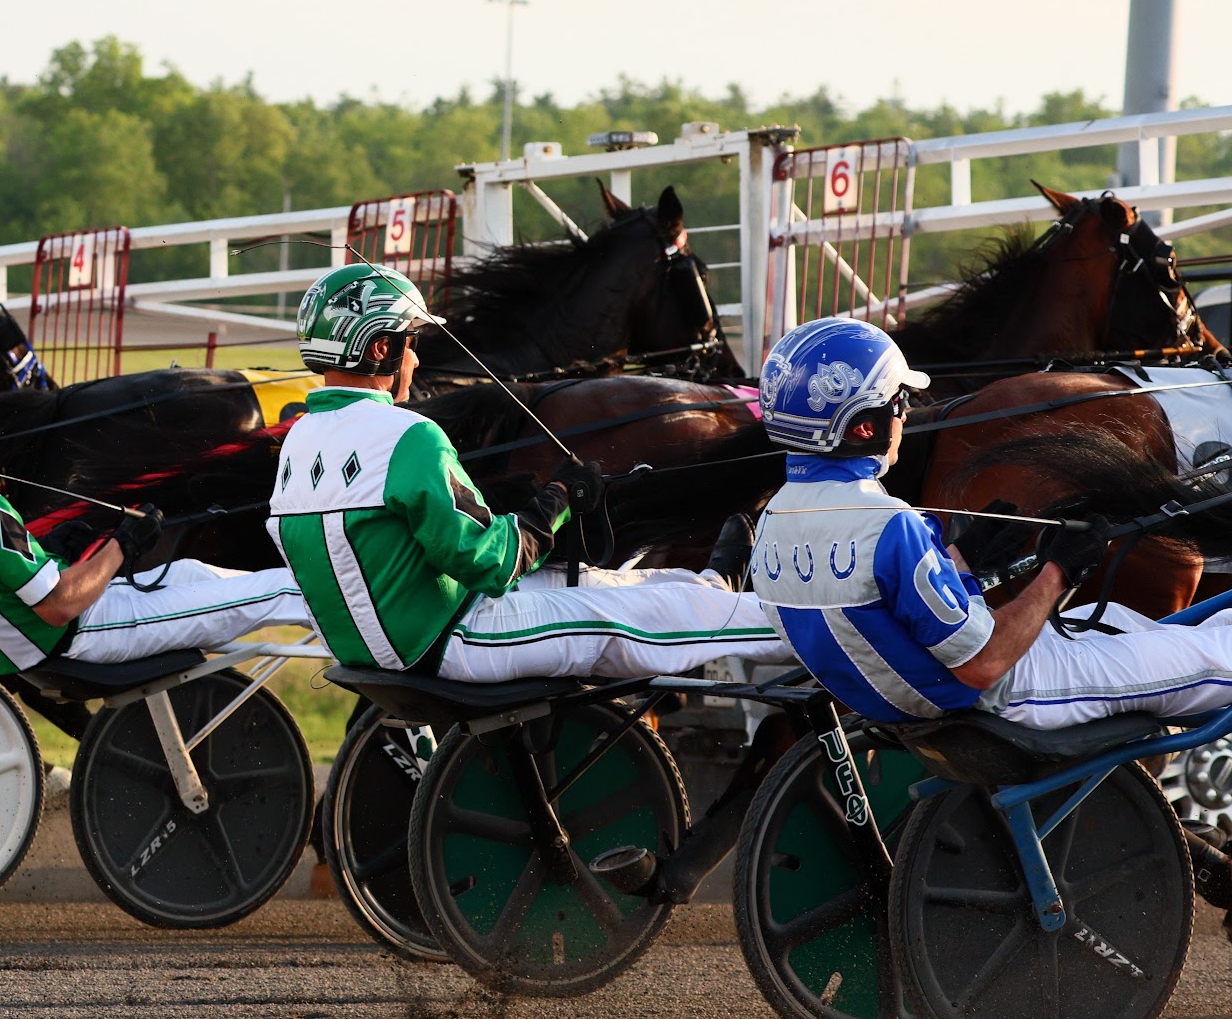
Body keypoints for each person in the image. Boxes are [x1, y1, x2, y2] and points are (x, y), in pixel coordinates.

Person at [267, 262, 785, 682]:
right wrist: (553, 503)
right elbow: (489, 562)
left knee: (592, 581)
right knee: (615, 618)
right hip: (452, 641)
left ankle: (708, 588)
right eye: (412, 344)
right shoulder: (408, 435)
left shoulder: (297, 441)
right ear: (381, 348)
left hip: (382, 642)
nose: (416, 362)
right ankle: (808, 631)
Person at [750, 315, 1232, 730]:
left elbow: (891, 611)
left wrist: (962, 561)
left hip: (907, 696)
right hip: (1012, 690)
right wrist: (1058, 572)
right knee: (1219, 660)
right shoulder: (887, 524)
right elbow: (984, 664)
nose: (907, 415)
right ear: (863, 426)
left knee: (1133, 624)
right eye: (900, 404)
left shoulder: (772, 521)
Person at [0, 356, 309, 674]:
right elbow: (60, 605)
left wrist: (56, 554)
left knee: (192, 572)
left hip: (31, 650)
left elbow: (8, 583)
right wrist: (122, 543)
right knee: (281, 586)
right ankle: (373, 657)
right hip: (88, 634)